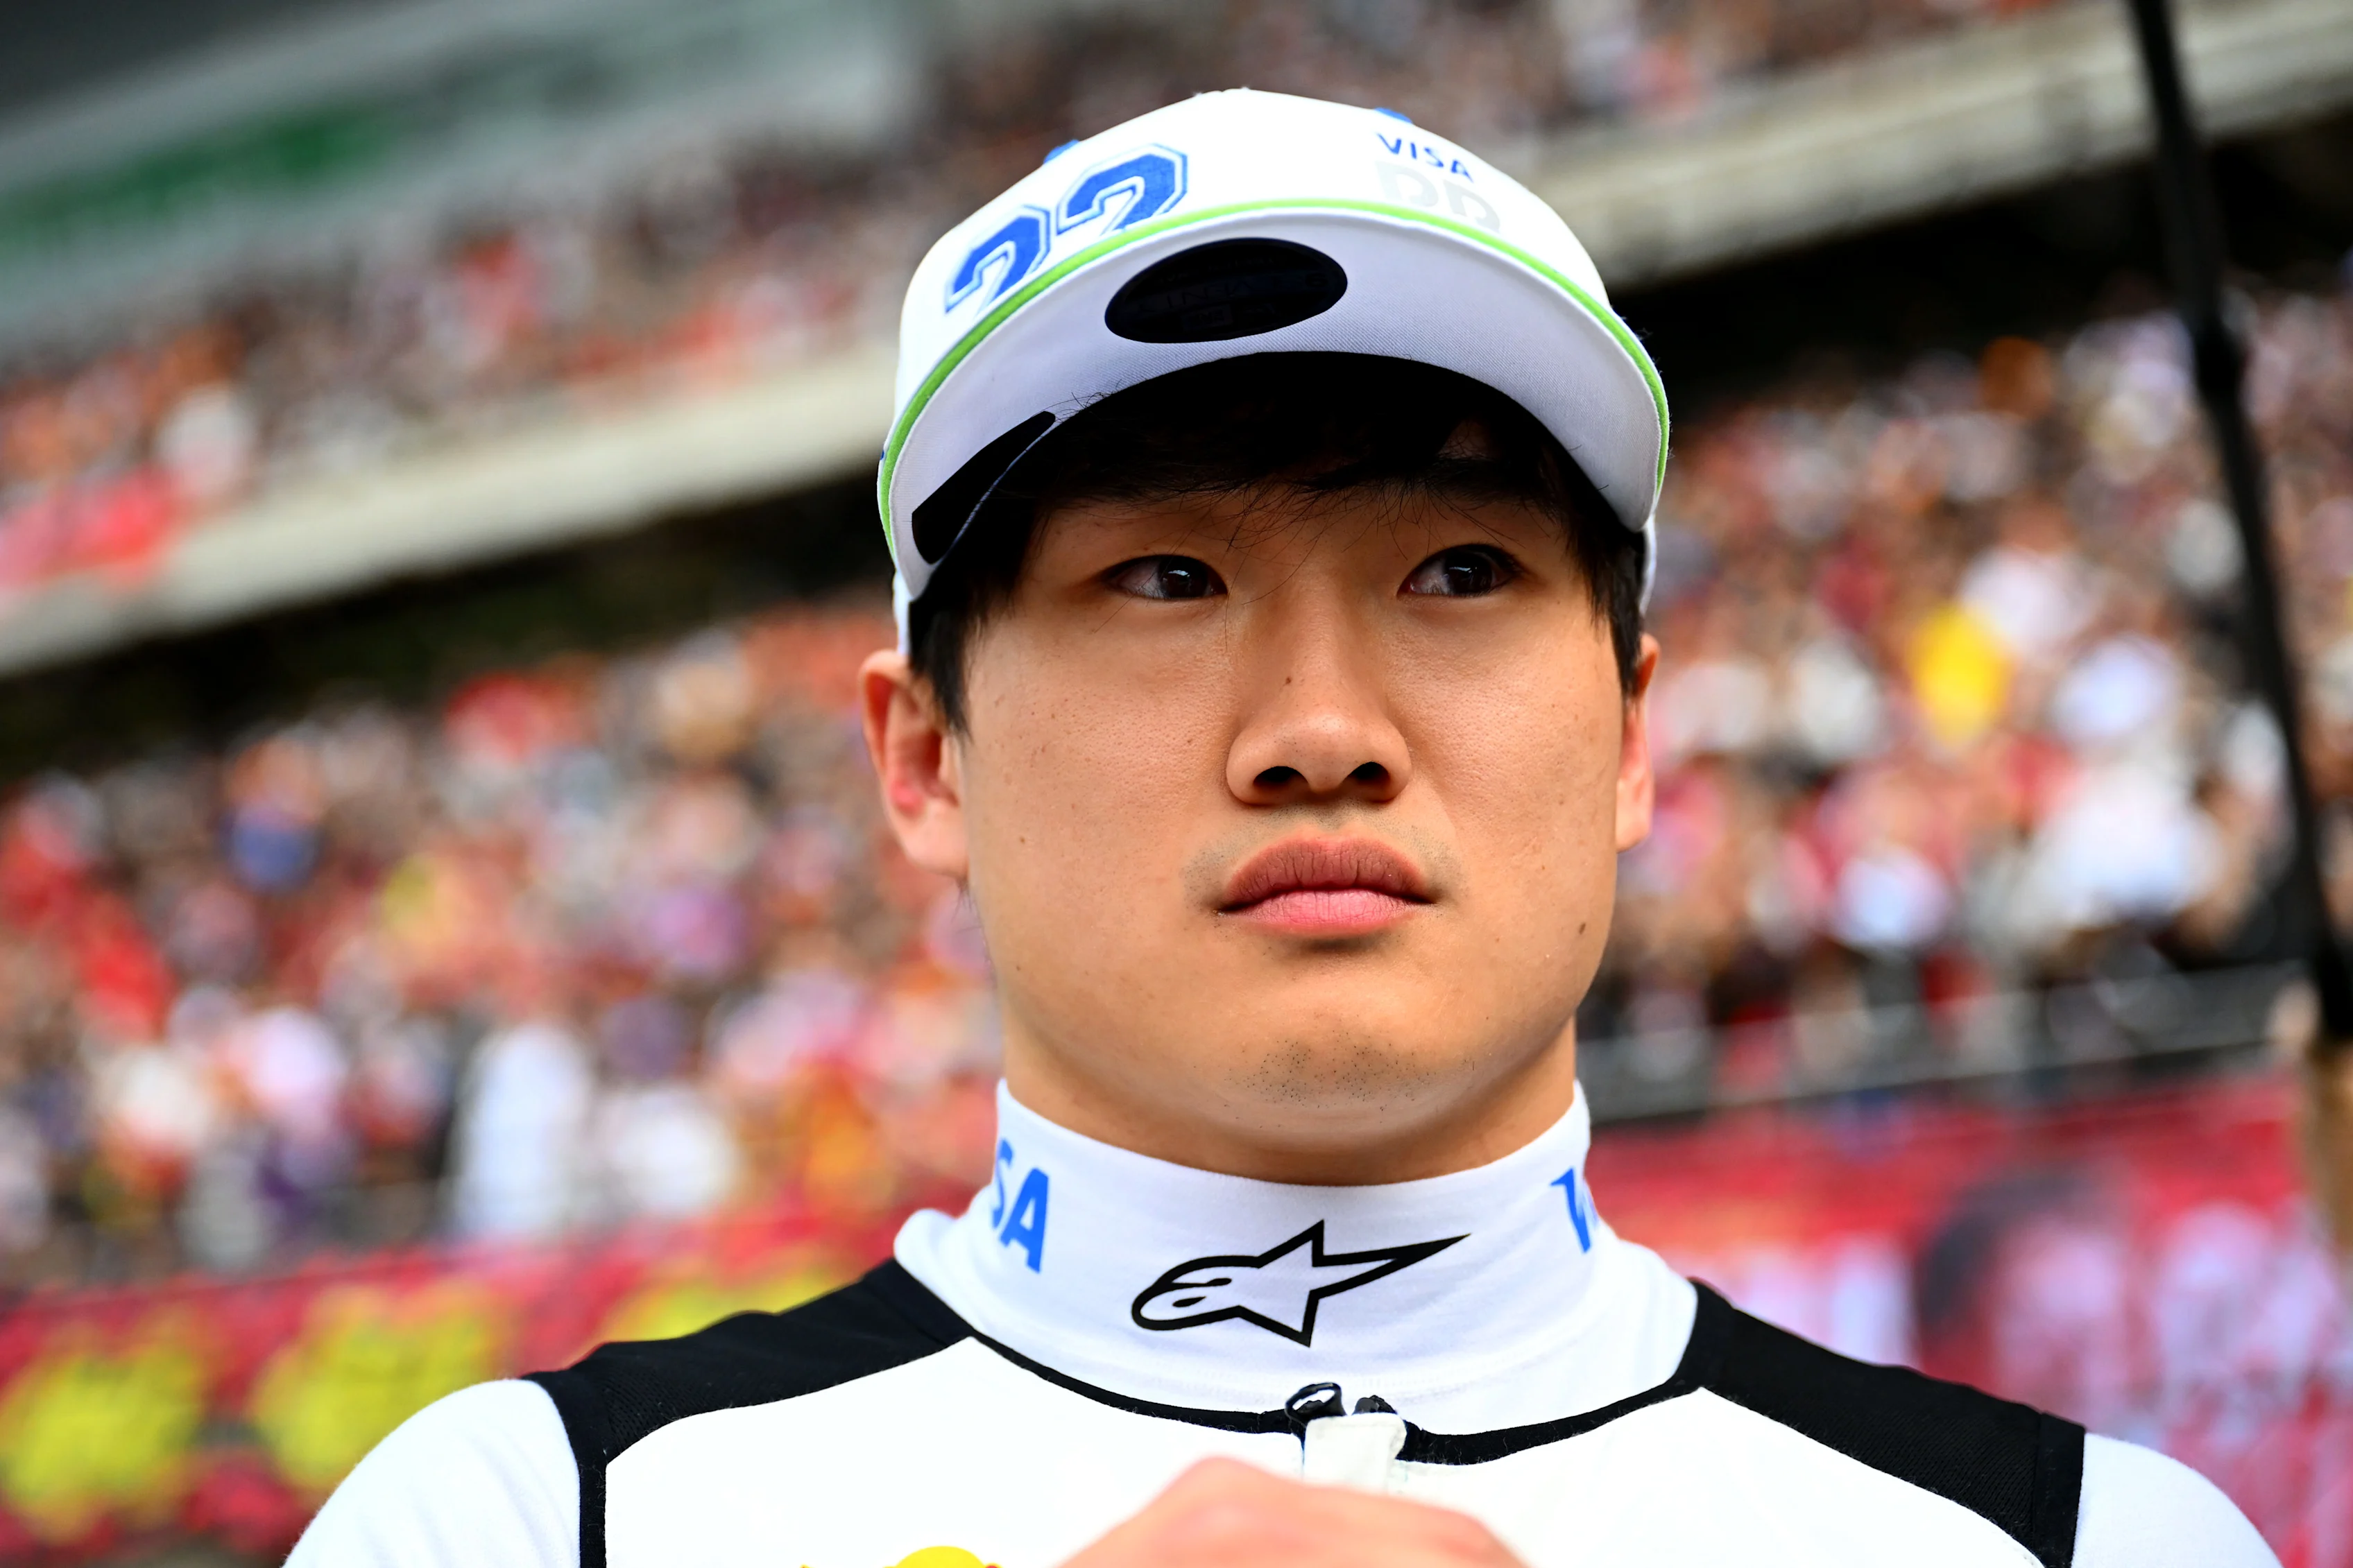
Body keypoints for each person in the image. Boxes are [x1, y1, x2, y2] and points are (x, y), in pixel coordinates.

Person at [289, 88, 2275, 1568]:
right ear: (923, 760)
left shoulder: (2099, 1545)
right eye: (1163, 579)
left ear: (1636, 733)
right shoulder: (523, 1523)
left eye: (1461, 570)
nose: (1320, 730)